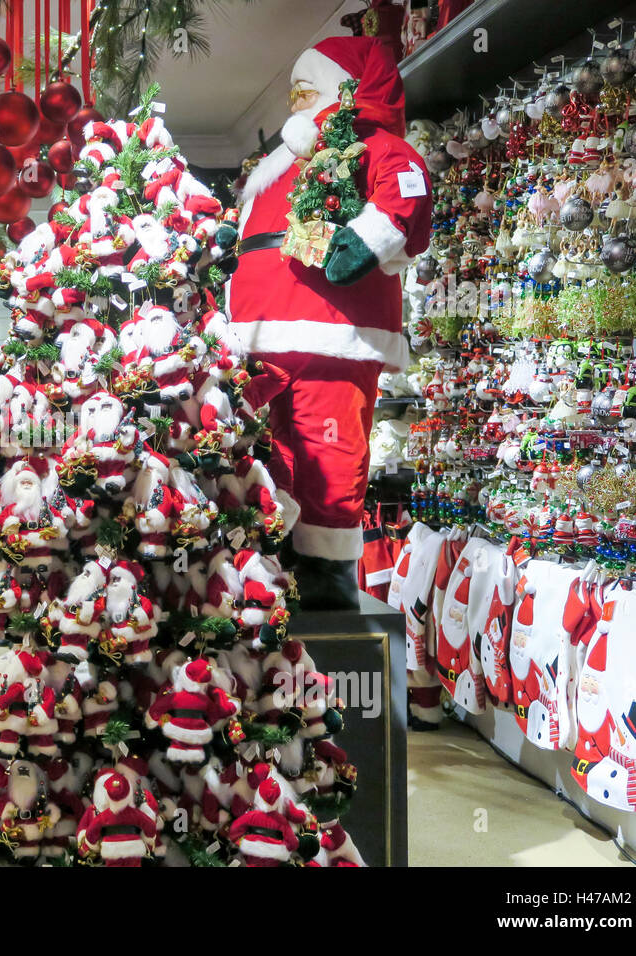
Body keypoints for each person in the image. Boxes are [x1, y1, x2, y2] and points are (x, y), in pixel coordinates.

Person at [228, 35, 432, 609]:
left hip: (332, 329)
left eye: (306, 89)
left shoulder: (375, 146)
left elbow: (405, 194)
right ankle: (280, 553)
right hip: (262, 334)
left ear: (345, 90)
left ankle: (326, 571)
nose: (296, 102)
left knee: (331, 444)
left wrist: (365, 243)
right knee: (274, 450)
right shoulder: (284, 161)